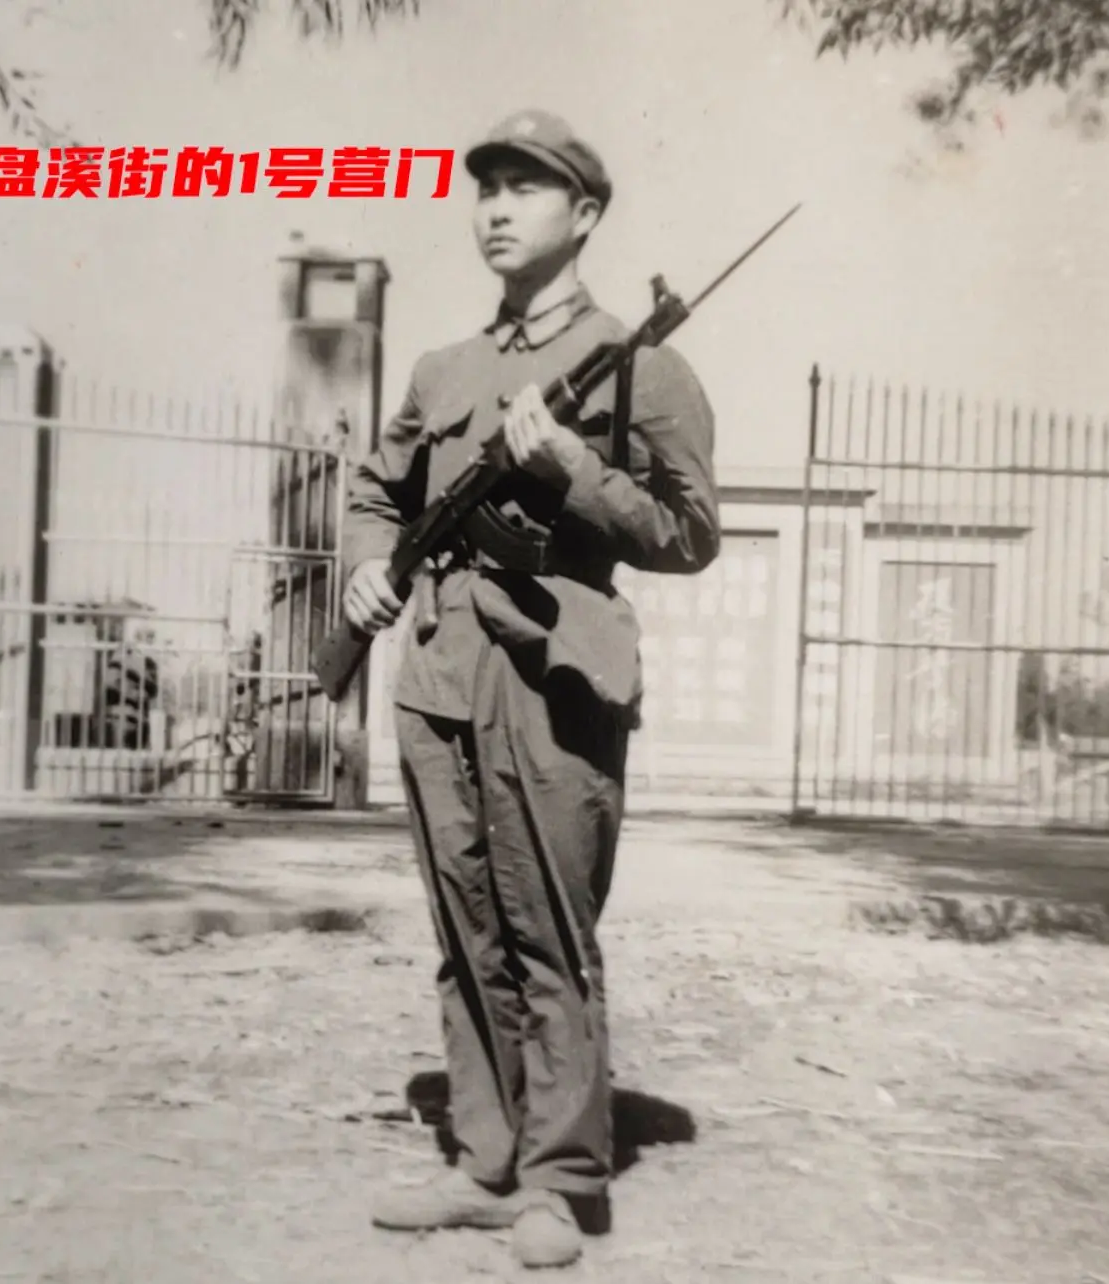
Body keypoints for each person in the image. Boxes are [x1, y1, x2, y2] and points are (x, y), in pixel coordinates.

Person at [340, 108, 722, 1270]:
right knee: (465, 927)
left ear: (585, 213)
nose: (496, 209)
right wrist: (367, 563)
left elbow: (689, 533)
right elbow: (378, 490)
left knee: (550, 927)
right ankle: (482, 1160)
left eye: (525, 189)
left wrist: (572, 468)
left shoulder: (644, 365)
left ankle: (560, 1181)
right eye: (486, 188)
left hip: (555, 671)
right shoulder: (444, 369)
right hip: (438, 673)